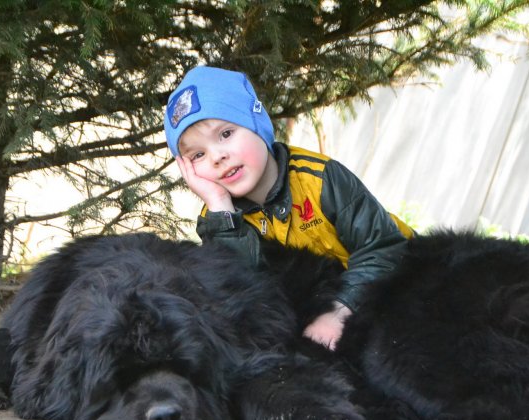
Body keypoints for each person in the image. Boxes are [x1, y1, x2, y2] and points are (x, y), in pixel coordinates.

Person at [163, 65, 413, 350]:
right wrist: (221, 208)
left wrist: (340, 310)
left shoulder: (319, 179)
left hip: (394, 282)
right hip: (317, 312)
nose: (218, 156)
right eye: (198, 154)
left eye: (226, 134)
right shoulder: (218, 219)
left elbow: (383, 247)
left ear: (256, 122)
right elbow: (240, 289)